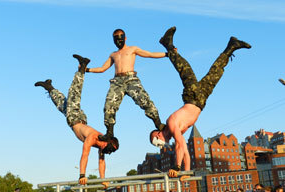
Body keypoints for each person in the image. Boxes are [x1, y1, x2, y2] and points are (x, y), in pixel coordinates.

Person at [149, 26, 251, 177]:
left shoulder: (171, 123)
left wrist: (176, 167)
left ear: (158, 134)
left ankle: (168, 45)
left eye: (158, 140)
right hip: (201, 101)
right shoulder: (177, 132)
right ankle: (231, 47)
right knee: (215, 73)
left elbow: (178, 145)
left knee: (185, 69)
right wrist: (186, 173)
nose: (163, 142)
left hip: (192, 97)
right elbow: (184, 151)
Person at [34, 55, 119, 186]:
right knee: (74, 92)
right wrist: (82, 175)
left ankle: (49, 87)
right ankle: (82, 67)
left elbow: (101, 162)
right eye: (104, 147)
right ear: (106, 141)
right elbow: (85, 155)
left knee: (62, 104)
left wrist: (103, 179)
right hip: (75, 119)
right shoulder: (92, 137)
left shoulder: (102, 146)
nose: (102, 149)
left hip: (78, 119)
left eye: (105, 149)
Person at [85, 28, 166, 141]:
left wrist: (167, 54)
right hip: (117, 81)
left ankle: (158, 124)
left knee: (144, 100)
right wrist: (87, 69)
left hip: (131, 79)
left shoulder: (132, 49)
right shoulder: (113, 54)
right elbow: (103, 68)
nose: (118, 41)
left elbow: (150, 54)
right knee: (109, 105)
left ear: (125, 38)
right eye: (116, 39)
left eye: (120, 37)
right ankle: (109, 133)